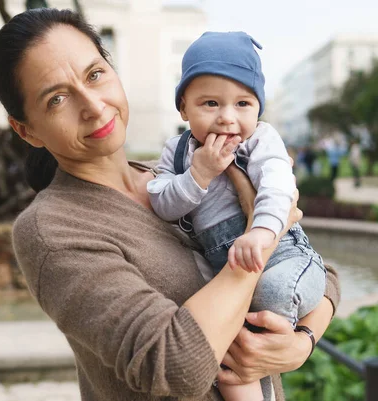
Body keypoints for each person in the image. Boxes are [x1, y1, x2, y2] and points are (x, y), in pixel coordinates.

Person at [0, 9, 341, 401]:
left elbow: (319, 270)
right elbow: (178, 366)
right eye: (57, 98)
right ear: (26, 129)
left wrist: (301, 342)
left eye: (95, 74)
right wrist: (262, 240)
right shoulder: (52, 230)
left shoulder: (177, 175)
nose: (93, 106)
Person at [148, 32, 327, 401]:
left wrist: (261, 233)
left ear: (258, 109)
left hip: (282, 257)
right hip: (227, 268)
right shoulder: (178, 152)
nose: (228, 118)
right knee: (229, 348)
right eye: (210, 103)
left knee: (265, 301)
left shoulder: (261, 140)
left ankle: (270, 359)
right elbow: (162, 204)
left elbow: (280, 189)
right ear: (183, 108)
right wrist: (198, 175)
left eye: (243, 103)